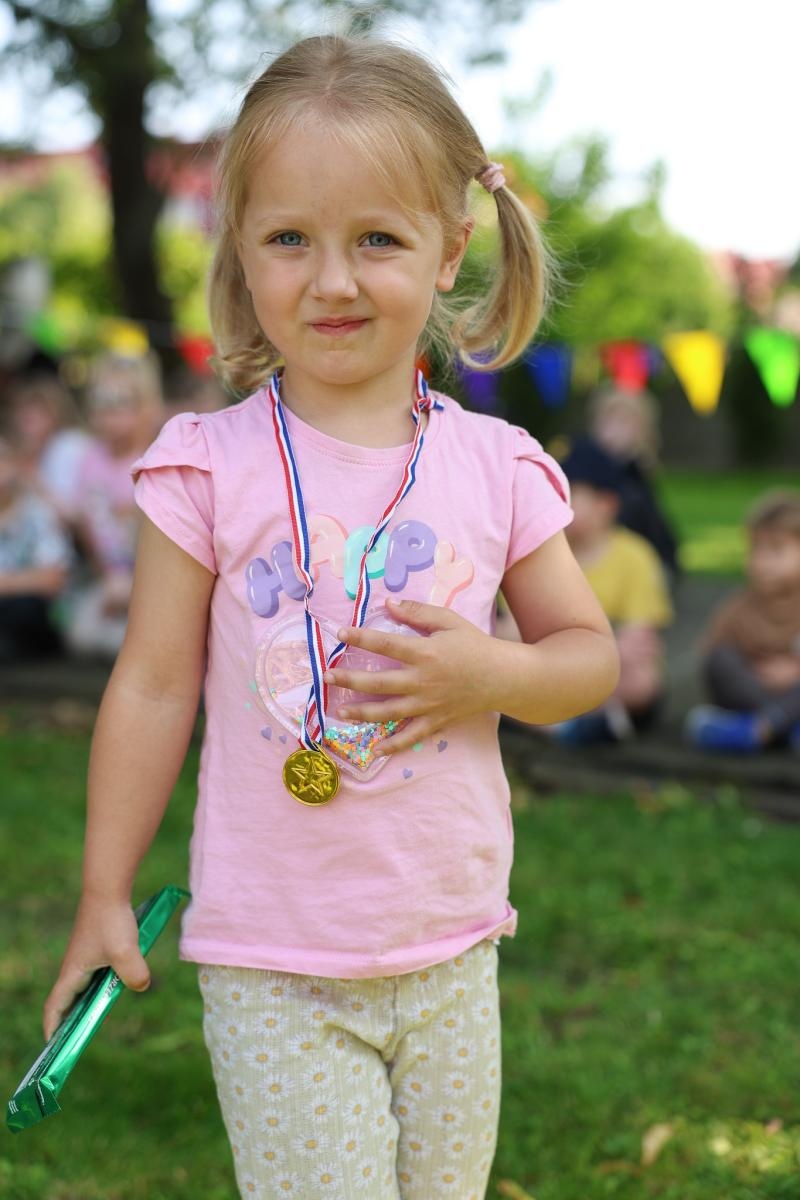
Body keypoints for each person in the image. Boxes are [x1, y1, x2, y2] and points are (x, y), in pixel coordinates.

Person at [43, 35, 619, 1200]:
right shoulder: (203, 467)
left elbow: (587, 658)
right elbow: (151, 686)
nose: (333, 280)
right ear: (241, 248)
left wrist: (489, 674)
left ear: (450, 247)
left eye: (377, 240)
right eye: (290, 238)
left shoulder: (497, 466)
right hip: (273, 963)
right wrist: (105, 889)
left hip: (454, 947)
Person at [549, 436, 673, 742]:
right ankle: (569, 724)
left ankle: (563, 718)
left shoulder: (635, 556)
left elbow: (639, 637)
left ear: (607, 504)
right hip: (550, 663)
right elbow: (511, 631)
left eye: (569, 493)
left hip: (598, 666)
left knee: (644, 681)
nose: (555, 501)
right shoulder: (541, 554)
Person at [65, 352, 164, 658]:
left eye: (120, 404)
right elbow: (89, 528)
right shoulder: (90, 459)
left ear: (145, 405)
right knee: (82, 635)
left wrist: (132, 585)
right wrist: (109, 579)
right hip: (109, 580)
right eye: (100, 405)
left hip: (153, 582)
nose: (108, 415)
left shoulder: (157, 456)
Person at [687, 490, 800, 753]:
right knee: (720, 660)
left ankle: (759, 729)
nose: (761, 562)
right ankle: (779, 727)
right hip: (757, 691)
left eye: (775, 550)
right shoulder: (740, 606)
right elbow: (712, 652)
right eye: (756, 550)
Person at [587, 384, 680, 582]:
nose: (616, 429)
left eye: (626, 421)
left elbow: (649, 525)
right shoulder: (585, 467)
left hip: (639, 558)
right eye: (610, 419)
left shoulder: (638, 473)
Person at [0, 434, 71, 661]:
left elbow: (53, 578)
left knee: (25, 608)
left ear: (15, 466)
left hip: (31, 614)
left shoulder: (37, 511)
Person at [4, 370, 92, 526]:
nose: (27, 423)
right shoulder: (21, 451)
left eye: (35, 415)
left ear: (54, 414)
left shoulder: (68, 445)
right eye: (24, 414)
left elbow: (71, 514)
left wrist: (31, 479)